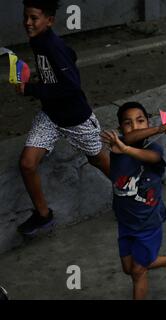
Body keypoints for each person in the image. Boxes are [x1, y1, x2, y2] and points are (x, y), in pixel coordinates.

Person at [16, 0, 110, 236]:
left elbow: (70, 86)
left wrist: (31, 90)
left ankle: (136, 193)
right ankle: (43, 215)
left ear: (49, 20)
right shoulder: (38, 40)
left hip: (75, 117)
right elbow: (71, 56)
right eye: (26, 17)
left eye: (34, 18)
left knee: (98, 160)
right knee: (27, 164)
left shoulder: (52, 45)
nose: (28, 23)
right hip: (51, 115)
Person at [101, 102, 166, 300]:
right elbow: (128, 140)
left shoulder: (154, 149)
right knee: (128, 268)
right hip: (125, 222)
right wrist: (158, 128)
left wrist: (128, 148)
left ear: (148, 122)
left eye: (140, 121)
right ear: (120, 129)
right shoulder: (117, 146)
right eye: (128, 123)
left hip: (148, 223)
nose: (135, 126)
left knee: (138, 272)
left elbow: (149, 157)